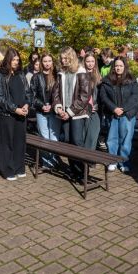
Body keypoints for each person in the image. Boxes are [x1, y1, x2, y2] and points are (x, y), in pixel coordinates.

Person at [52, 47, 92, 178]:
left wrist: (69, 112)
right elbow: (56, 92)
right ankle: (73, 169)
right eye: (61, 58)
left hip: (77, 113)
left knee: (77, 141)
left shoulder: (81, 72)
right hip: (64, 112)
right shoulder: (61, 73)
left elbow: (84, 96)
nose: (62, 61)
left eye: (65, 58)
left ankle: (83, 171)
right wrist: (58, 107)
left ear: (72, 57)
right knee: (68, 141)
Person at [0, 48, 31, 181]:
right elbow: (0, 97)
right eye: (13, 59)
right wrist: (15, 109)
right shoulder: (1, 75)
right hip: (7, 115)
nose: (16, 62)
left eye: (17, 60)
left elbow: (28, 92)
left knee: (19, 143)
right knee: (7, 143)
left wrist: (27, 104)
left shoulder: (21, 74)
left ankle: (19, 167)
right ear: (8, 60)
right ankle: (7, 169)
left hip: (22, 114)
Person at [99, 56, 138, 172]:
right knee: (112, 139)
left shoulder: (132, 80)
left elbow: (135, 97)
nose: (118, 68)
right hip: (112, 114)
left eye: (121, 66)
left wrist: (123, 109)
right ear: (113, 67)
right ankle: (113, 161)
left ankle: (124, 161)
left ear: (125, 67)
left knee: (125, 139)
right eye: (116, 65)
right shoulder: (107, 80)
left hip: (127, 114)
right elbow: (103, 97)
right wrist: (114, 108)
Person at [30, 52, 62, 167]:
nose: (47, 63)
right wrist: (41, 105)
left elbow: (61, 94)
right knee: (44, 137)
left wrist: (53, 105)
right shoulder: (36, 77)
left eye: (49, 61)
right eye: (45, 61)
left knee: (54, 137)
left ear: (52, 62)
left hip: (54, 110)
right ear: (41, 63)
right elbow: (31, 96)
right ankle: (46, 161)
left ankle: (53, 159)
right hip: (41, 111)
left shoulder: (58, 76)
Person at [82, 52, 102, 152]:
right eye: (88, 61)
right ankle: (84, 159)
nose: (90, 64)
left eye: (92, 61)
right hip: (83, 109)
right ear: (84, 62)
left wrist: (97, 105)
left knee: (93, 134)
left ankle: (90, 159)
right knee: (84, 135)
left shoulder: (99, 77)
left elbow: (101, 95)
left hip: (95, 110)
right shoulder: (80, 75)